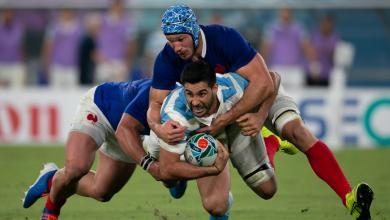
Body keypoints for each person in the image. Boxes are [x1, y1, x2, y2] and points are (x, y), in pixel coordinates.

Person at [149, 4, 374, 219]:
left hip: (258, 98)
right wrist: (159, 128)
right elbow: (156, 106)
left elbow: (267, 81)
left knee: (297, 132)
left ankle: (349, 198)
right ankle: (270, 144)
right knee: (259, 192)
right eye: (171, 41)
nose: (176, 47)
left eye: (181, 39)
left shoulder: (225, 38)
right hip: (215, 118)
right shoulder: (167, 60)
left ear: (194, 32)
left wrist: (260, 115)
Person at [22, 79, 189, 220]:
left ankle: (51, 179)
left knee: (101, 192)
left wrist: (173, 176)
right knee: (76, 168)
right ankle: (51, 210)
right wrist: (152, 166)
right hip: (102, 109)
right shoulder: (158, 93)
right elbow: (127, 130)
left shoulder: (193, 108)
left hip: (133, 132)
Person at [149, 60, 281, 219]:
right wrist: (214, 169)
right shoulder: (175, 115)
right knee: (172, 180)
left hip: (230, 127)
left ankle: (268, 141)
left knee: (268, 190)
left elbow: (273, 78)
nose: (195, 102)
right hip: (191, 137)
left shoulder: (233, 88)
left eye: (202, 94)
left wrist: (261, 116)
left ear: (215, 88)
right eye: (189, 94)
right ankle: (180, 179)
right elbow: (168, 169)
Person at [41, 8, 82, 88]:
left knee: (72, 93)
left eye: (68, 12)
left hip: (72, 66)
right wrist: (46, 65)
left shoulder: (78, 28)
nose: (67, 14)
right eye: (65, 12)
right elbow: (47, 47)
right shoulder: (53, 28)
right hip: (57, 66)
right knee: (55, 93)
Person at [306, 14, 339, 86]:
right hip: (312, 74)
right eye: (324, 23)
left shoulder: (334, 38)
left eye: (328, 24)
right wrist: (314, 68)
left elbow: (335, 55)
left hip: (326, 75)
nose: (326, 26)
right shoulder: (314, 36)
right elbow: (309, 52)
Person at [0, 8, 26, 88]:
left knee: (18, 90)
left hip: (16, 64)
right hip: (2, 64)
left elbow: (22, 47)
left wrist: (23, 64)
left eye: (10, 13)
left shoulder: (19, 28)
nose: (8, 16)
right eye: (6, 13)